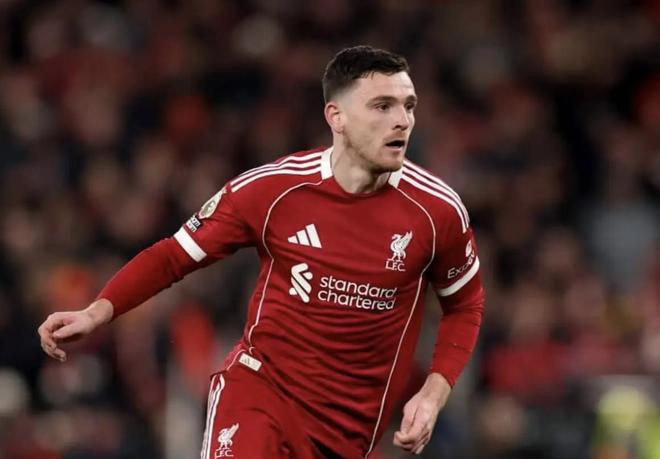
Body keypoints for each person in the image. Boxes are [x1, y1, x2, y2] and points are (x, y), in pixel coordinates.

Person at [38, 45, 485, 458]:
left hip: (348, 434)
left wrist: (433, 395)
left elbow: (465, 305)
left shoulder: (437, 212)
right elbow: (175, 255)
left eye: (409, 106)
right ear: (337, 117)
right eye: (382, 106)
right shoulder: (274, 190)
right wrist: (98, 311)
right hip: (260, 394)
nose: (402, 120)